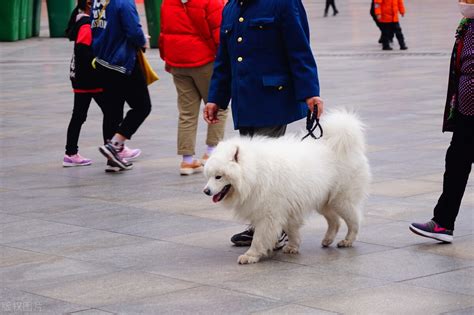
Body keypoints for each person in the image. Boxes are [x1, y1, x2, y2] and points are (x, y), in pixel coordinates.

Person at [203, 0, 323, 247]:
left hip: (273, 100)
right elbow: (224, 59)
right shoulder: (232, 8)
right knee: (250, 169)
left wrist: (310, 92)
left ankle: (272, 228)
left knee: (268, 171)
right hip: (245, 102)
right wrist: (215, 98)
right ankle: (262, 224)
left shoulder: (283, 3)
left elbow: (299, 49)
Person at [410, 3, 473, 243]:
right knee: (457, 161)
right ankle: (443, 222)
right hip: (467, 111)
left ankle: (444, 222)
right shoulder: (468, 24)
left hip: (471, 111)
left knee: (457, 161)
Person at [63, 0, 141, 169]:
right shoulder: (85, 24)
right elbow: (83, 51)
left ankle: (73, 153)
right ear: (89, 5)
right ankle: (113, 148)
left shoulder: (83, 21)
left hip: (83, 78)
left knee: (83, 115)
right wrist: (97, 64)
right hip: (89, 80)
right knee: (111, 112)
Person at [159, 0, 228, 175]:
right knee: (217, 106)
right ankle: (211, 152)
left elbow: (164, 32)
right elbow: (219, 33)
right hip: (204, 60)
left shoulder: (168, 2)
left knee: (187, 113)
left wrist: (167, 59)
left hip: (178, 61)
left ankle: (187, 160)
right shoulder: (210, 1)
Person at [91, 0, 152, 172]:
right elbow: (133, 31)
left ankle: (112, 159)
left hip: (103, 60)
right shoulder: (124, 1)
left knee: (112, 111)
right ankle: (115, 145)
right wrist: (142, 40)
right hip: (122, 62)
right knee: (142, 106)